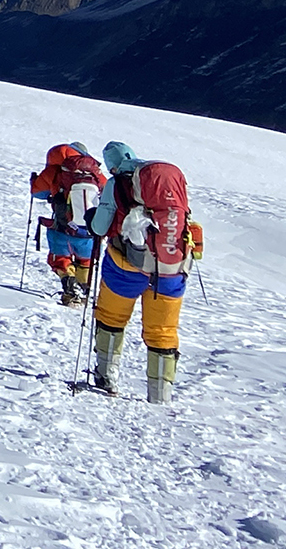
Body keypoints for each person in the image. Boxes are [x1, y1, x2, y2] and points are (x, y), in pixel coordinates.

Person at [88, 141, 195, 403]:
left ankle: (106, 377)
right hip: (171, 268)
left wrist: (94, 217)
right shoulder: (163, 181)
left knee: (111, 318)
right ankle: (160, 396)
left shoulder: (117, 183)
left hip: (126, 265)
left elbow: (100, 228)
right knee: (163, 330)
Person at [30, 142, 106, 306]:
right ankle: (84, 289)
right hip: (89, 231)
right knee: (86, 261)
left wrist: (36, 181)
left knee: (61, 259)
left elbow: (37, 193)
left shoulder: (54, 170)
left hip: (62, 228)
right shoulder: (94, 172)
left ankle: (70, 288)